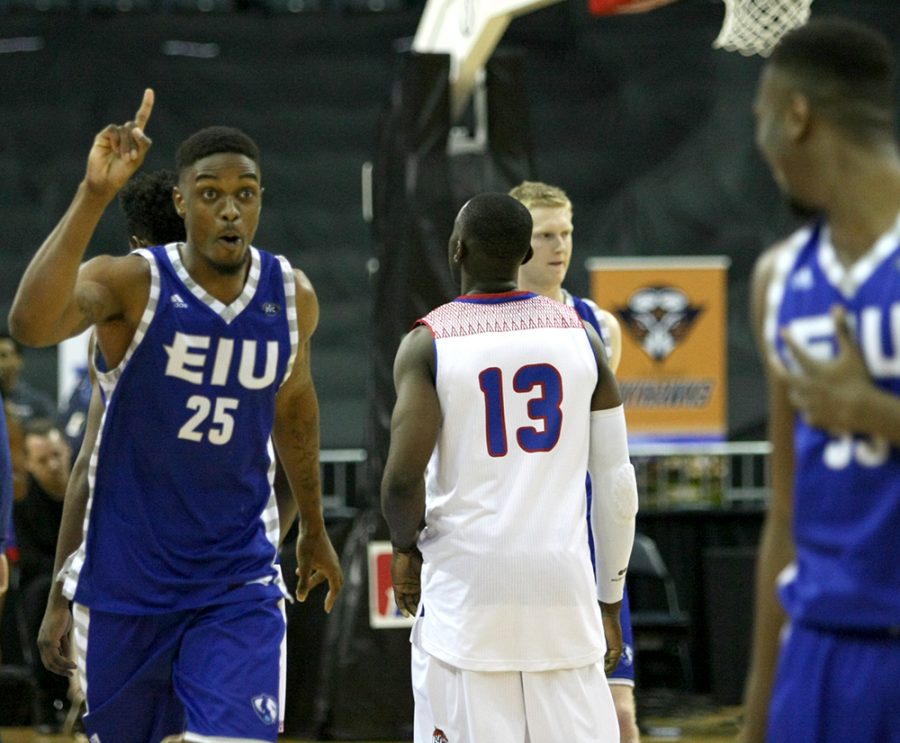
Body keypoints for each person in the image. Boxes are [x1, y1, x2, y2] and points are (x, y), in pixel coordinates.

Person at [8, 89, 343, 742]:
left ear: (261, 202)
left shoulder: (290, 294)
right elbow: (30, 322)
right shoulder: (133, 284)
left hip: (235, 580)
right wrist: (93, 193)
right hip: (126, 584)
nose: (230, 208)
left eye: (245, 193)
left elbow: (296, 413)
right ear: (182, 202)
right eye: (211, 193)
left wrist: (315, 526)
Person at [381, 192, 638, 741]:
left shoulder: (429, 341)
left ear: (457, 249)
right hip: (562, 599)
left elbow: (403, 478)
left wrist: (404, 550)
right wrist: (609, 598)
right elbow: (618, 485)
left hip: (467, 603)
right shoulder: (584, 338)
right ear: (524, 253)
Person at [740, 18, 900, 743]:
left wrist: (873, 410)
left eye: (760, 119)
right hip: (819, 647)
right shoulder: (778, 278)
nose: (761, 142)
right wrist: (759, 707)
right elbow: (785, 512)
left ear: (795, 115)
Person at [510, 180, 640, 742]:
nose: (559, 246)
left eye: (566, 233)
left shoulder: (599, 327)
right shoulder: (479, 322)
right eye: (544, 235)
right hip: (518, 535)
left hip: (585, 534)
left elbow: (607, 445)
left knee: (619, 713)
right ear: (517, 242)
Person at [14, 419, 72, 732]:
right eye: (42, 460)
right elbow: (31, 559)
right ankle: (48, 701)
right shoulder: (22, 499)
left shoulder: (89, 486)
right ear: (28, 464)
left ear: (67, 449)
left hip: (91, 576)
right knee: (39, 597)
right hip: (46, 582)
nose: (53, 465)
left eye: (56, 454)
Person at [0, 333, 57, 426]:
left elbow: (55, 426)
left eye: (3, 356)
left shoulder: (37, 402)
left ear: (18, 360)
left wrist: (18, 419)